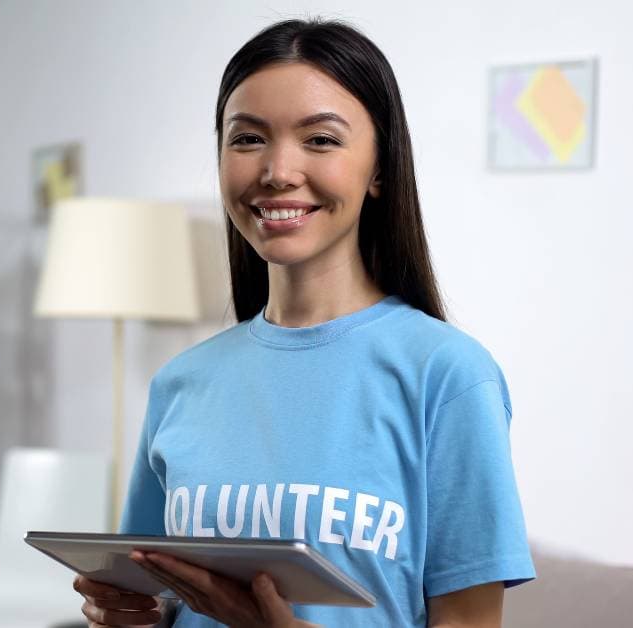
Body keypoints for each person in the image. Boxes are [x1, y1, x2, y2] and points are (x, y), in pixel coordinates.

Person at [73, 17, 535, 628]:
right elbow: (155, 593)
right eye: (247, 139)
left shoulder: (448, 376)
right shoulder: (180, 383)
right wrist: (125, 613)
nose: (277, 170)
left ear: (379, 170)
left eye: (320, 140)